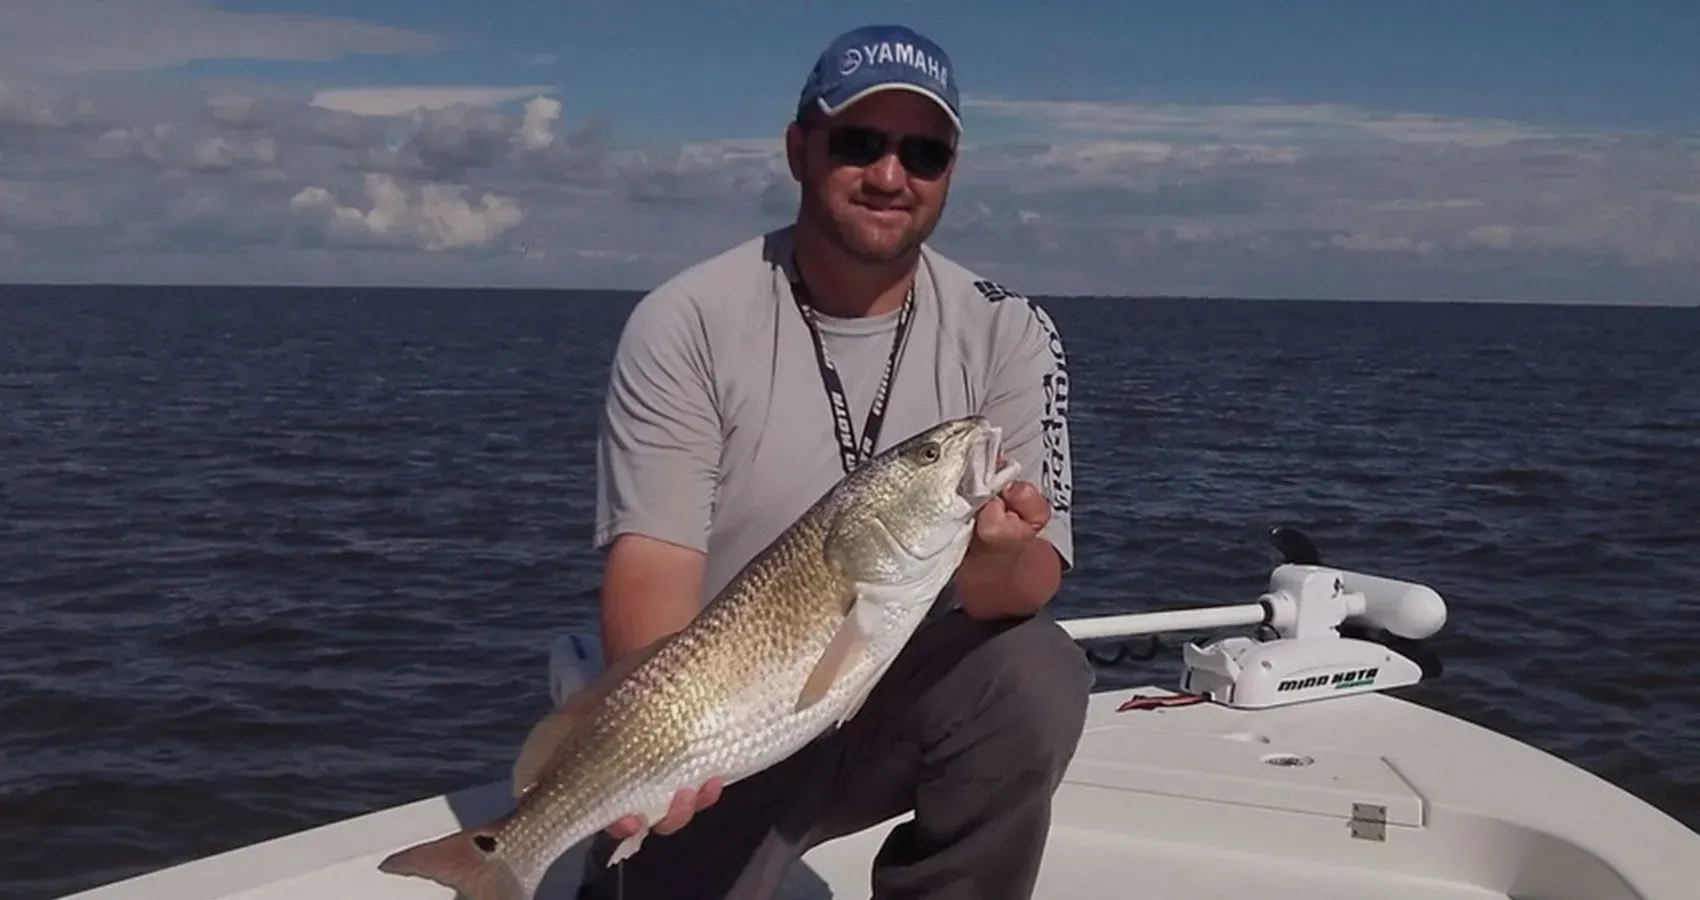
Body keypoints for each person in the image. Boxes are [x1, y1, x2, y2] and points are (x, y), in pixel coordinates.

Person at [580, 22, 1093, 900]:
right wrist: (664, 747)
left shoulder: (1009, 329)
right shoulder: (687, 321)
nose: (891, 176)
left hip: (893, 690)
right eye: (859, 143)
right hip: (727, 713)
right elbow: (653, 567)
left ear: (950, 172)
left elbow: (1017, 591)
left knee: (1035, 675)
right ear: (797, 149)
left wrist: (1000, 552)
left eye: (924, 153)